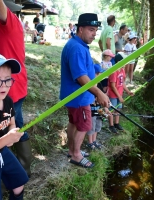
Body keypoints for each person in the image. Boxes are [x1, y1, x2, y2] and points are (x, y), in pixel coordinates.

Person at [0, 0, 33, 177]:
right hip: (2, 89)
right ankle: (20, 169)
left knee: (6, 129)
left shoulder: (9, 22)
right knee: (14, 126)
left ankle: (15, 171)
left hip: (9, 90)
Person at [60, 13, 110, 168]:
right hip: (79, 99)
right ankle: (76, 154)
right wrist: (99, 93)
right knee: (84, 125)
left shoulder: (78, 45)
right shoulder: (76, 48)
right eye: (91, 30)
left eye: (95, 30)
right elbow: (81, 77)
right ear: (80, 29)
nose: (94, 34)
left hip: (76, 98)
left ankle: (72, 150)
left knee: (74, 123)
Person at [0, 52, 29, 200]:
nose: (4, 85)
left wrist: (12, 132)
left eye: (8, 80)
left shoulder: (8, 101)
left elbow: (12, 123)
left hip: (3, 151)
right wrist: (7, 139)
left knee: (19, 182)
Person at [107, 52, 134, 133]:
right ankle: (111, 125)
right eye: (124, 61)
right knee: (112, 109)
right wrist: (119, 96)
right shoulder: (114, 71)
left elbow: (122, 83)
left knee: (118, 109)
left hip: (119, 94)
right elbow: (112, 86)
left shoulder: (122, 70)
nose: (125, 64)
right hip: (113, 95)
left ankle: (116, 123)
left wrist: (128, 91)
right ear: (119, 62)